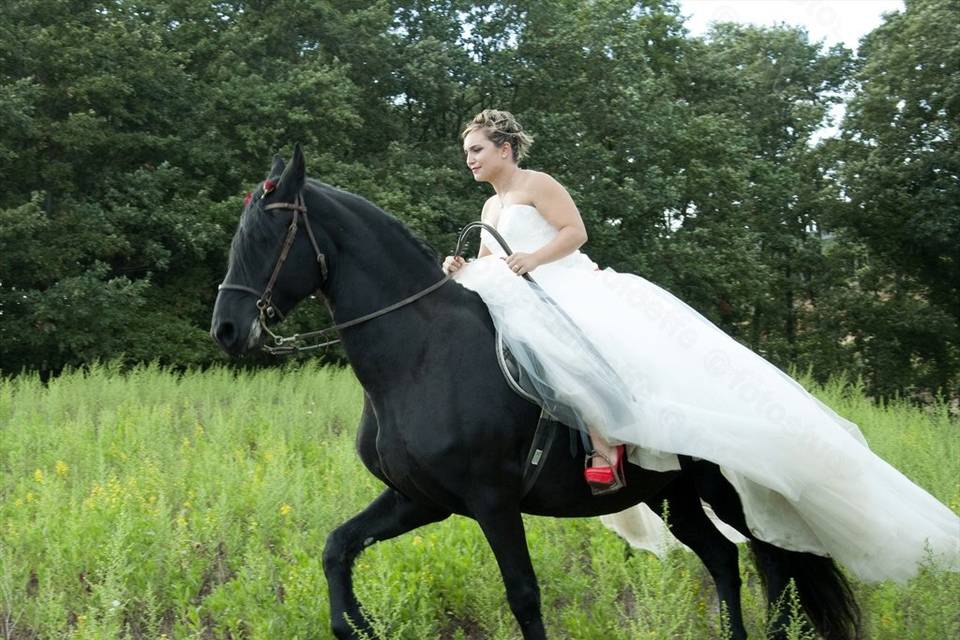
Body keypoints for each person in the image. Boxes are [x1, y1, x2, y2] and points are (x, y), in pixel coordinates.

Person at [442, 108, 959, 583]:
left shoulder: (538, 184)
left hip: (566, 283)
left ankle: (608, 446)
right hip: (526, 293)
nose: (469, 159)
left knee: (573, 354)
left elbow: (575, 232)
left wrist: (533, 258)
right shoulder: (491, 203)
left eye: (477, 150)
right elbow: (493, 258)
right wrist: (466, 269)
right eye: (468, 152)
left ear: (505, 148)